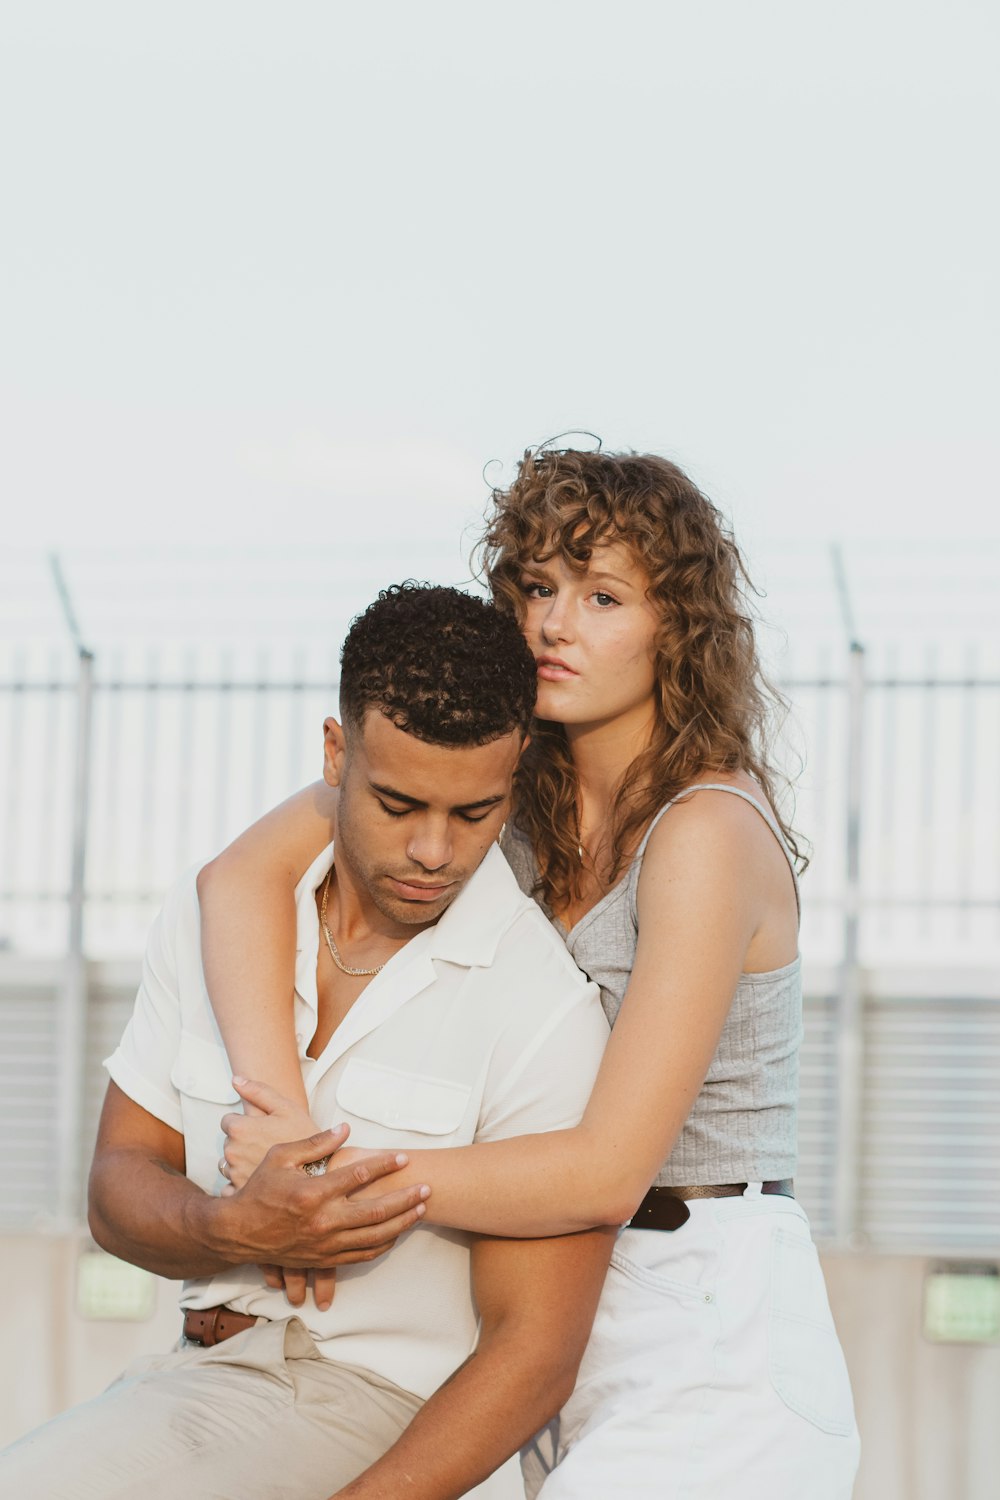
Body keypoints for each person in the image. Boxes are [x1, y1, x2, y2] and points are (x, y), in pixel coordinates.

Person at [198, 447, 861, 1499]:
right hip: (550, 1311)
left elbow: (606, 1170)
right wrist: (280, 1120)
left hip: (707, 1323)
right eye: (539, 589)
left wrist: (330, 1182)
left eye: (602, 597)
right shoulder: (494, 809)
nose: (555, 625)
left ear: (676, 629)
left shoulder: (704, 833)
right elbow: (238, 877)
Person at [0, 584, 614, 1500]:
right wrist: (229, 1226)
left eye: (475, 814)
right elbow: (118, 1187)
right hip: (184, 1385)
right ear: (336, 754)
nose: (435, 851)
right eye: (399, 804)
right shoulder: (217, 918)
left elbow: (535, 1354)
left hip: (377, 1411)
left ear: (515, 775)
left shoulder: (543, 1009)